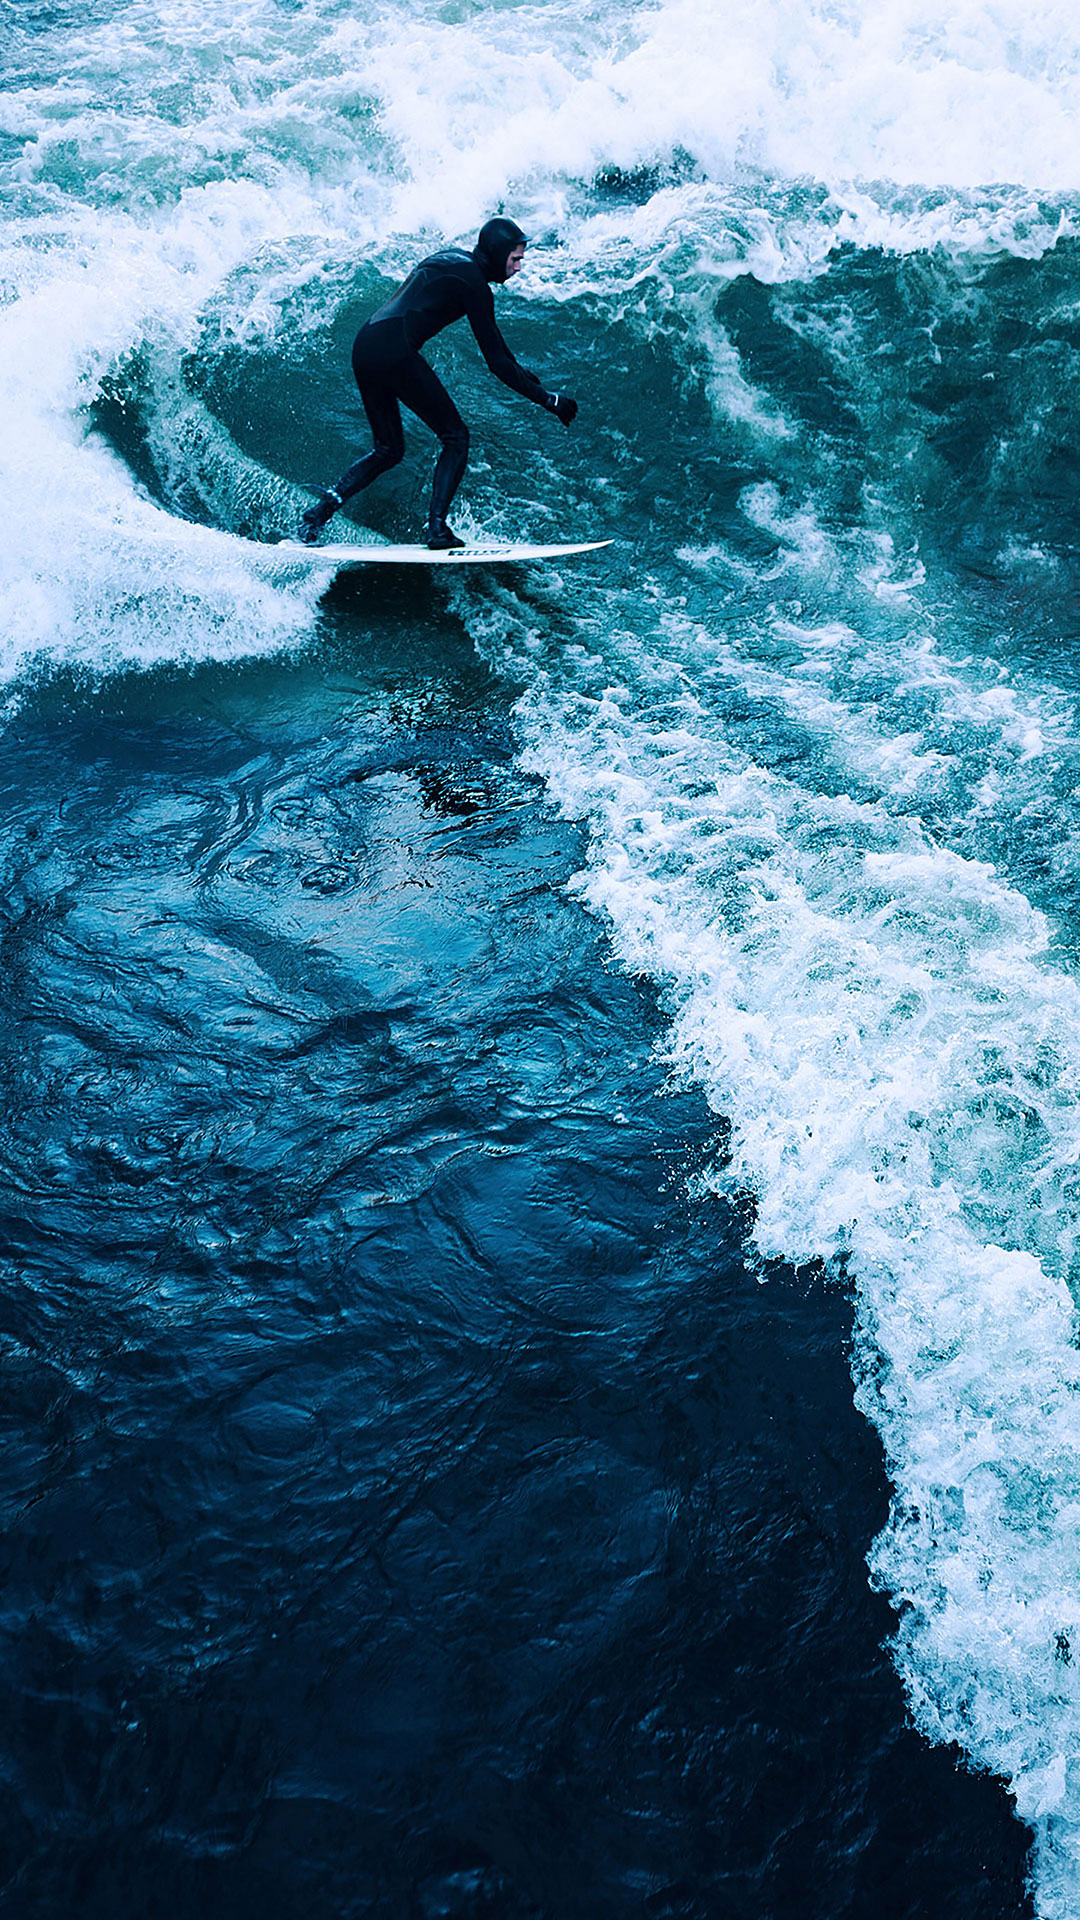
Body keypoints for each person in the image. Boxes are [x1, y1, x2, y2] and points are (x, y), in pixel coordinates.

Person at [299, 217, 579, 550]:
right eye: (515, 258)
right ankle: (436, 530)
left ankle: (318, 514)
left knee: (388, 449)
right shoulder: (473, 283)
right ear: (498, 252)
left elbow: (502, 353)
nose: (519, 267)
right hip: (394, 350)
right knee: (456, 437)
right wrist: (548, 401)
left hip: (366, 343)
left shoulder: (455, 260)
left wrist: (539, 388)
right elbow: (497, 364)